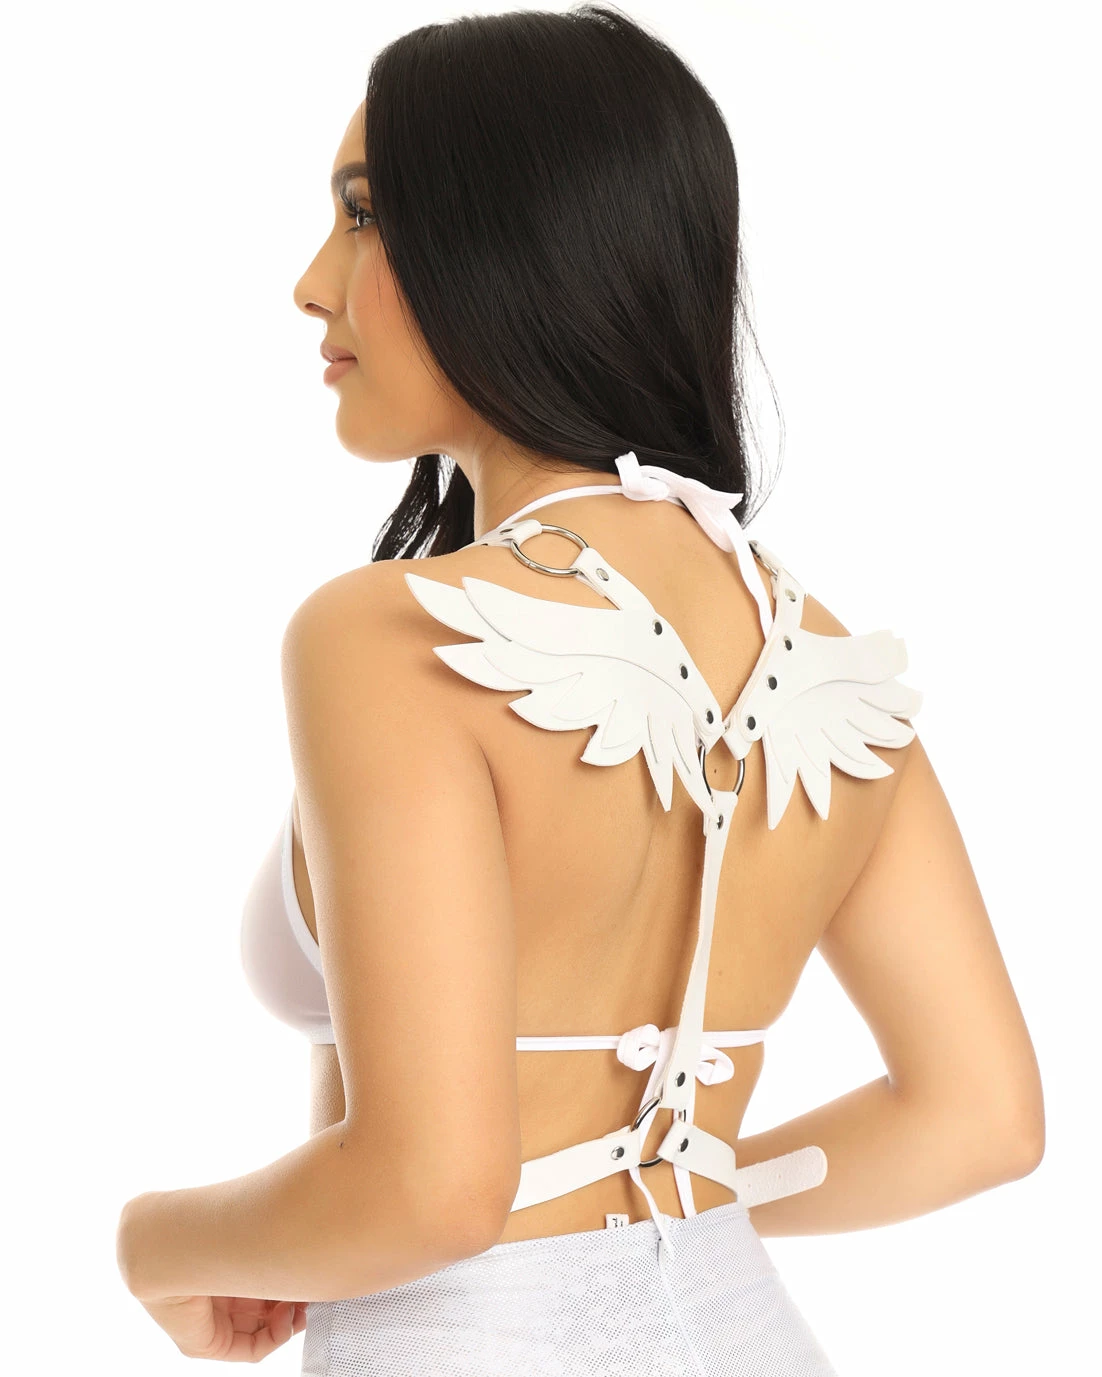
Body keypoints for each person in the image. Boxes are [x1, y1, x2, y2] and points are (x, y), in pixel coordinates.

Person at [117, 7, 1044, 1372]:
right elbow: (978, 1118)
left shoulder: (391, 635)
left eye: (365, 215)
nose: (313, 284)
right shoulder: (815, 652)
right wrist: (674, 1202)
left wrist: (156, 1241)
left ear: (517, 243)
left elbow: (429, 1194)